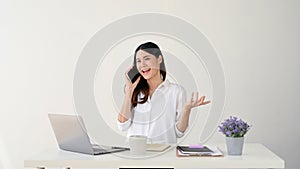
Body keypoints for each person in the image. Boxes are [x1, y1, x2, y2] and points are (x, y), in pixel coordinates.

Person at [117, 42, 210, 144]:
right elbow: (122, 125)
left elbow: (179, 132)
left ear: (159, 59)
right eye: (138, 61)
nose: (142, 64)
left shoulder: (176, 91)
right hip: (136, 152)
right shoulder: (133, 90)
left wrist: (186, 109)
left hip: (163, 154)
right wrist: (129, 92)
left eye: (147, 59)